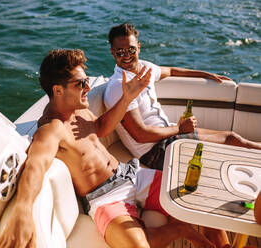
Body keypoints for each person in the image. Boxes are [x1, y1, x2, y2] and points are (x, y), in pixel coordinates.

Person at [0, 49, 226, 248]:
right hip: (106, 197)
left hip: (132, 174)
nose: (87, 87)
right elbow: (35, 165)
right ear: (58, 90)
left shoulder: (79, 110)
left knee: (201, 199)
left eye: (87, 81)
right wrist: (23, 210)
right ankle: (180, 230)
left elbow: (101, 127)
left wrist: (127, 98)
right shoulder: (52, 129)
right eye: (80, 84)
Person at [104, 22, 261, 172]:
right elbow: (140, 135)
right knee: (228, 144)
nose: (126, 56)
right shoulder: (118, 86)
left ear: (138, 48)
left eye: (131, 50)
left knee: (232, 138)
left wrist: (206, 74)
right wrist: (179, 128)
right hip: (154, 151)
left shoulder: (145, 68)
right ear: (112, 52)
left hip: (169, 134)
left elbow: (172, 71)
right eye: (120, 52)